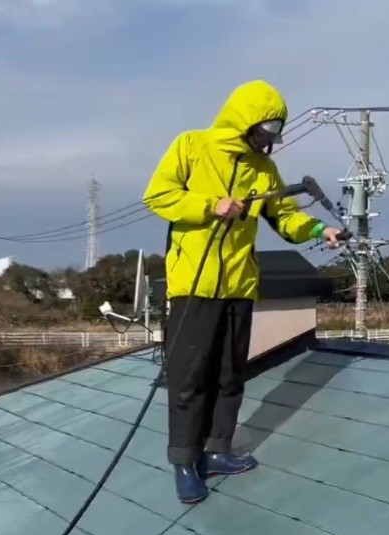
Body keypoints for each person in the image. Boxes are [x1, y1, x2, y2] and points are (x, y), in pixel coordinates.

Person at [141, 80, 342, 504]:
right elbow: (158, 195)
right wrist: (210, 204)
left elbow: (285, 218)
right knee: (189, 380)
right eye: (264, 134)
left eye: (272, 138)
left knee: (231, 376)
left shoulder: (264, 170)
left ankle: (217, 450)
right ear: (244, 123)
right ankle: (184, 461)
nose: (267, 144)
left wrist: (321, 229)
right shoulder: (191, 146)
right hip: (193, 285)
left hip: (239, 284)